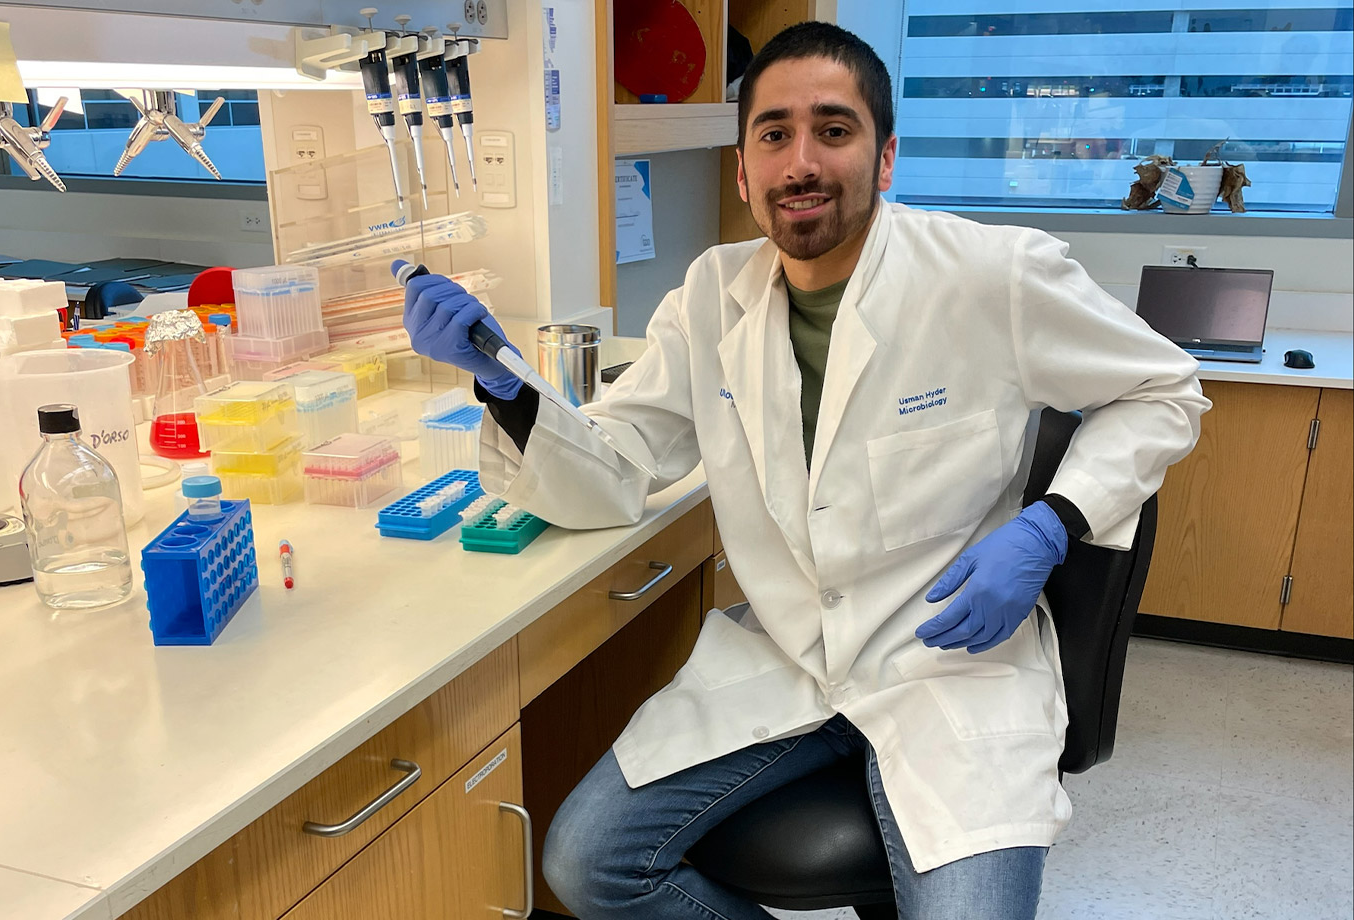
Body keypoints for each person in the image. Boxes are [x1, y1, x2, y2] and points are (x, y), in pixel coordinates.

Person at [398, 21, 1209, 920]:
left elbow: (1166, 390)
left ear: (885, 156)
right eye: (773, 135)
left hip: (950, 660)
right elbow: (620, 467)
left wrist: (1046, 527)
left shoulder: (991, 274)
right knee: (588, 865)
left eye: (834, 129)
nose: (801, 163)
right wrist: (501, 384)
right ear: (743, 170)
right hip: (791, 658)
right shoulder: (711, 296)